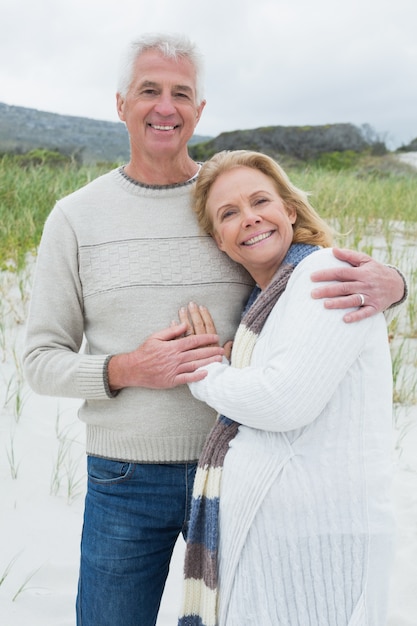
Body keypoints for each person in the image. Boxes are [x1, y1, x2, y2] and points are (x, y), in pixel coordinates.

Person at [22, 34, 404, 626]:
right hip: (125, 479)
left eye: (182, 93)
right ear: (121, 102)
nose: (165, 107)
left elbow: (307, 274)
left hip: (241, 475)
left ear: (200, 110)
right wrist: (128, 368)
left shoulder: (227, 200)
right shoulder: (74, 217)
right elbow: (40, 360)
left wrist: (397, 283)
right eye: (150, 90)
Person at [178, 150, 396, 626]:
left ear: (290, 211)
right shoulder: (268, 298)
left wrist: (206, 371)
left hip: (322, 547)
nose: (249, 218)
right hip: (282, 550)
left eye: (260, 201)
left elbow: (283, 401)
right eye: (229, 213)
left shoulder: (324, 274)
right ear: (219, 239)